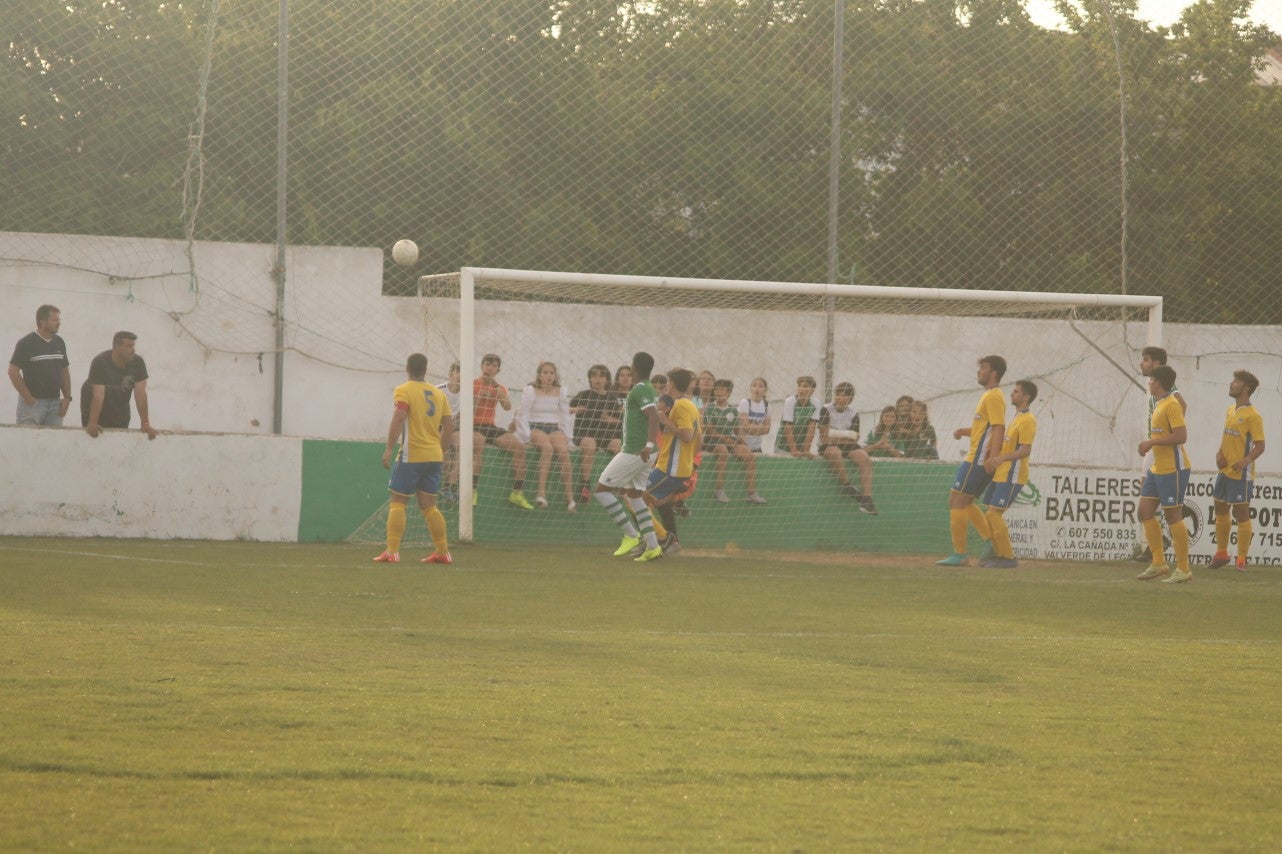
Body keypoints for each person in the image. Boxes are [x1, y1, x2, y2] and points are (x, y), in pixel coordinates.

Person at [373, 353, 454, 565]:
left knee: (398, 502)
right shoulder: (438, 394)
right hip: (433, 457)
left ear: (407, 367)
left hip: (411, 455)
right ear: (425, 370)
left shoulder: (404, 390)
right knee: (429, 506)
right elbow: (449, 426)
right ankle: (443, 551)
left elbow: (399, 418)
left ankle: (392, 551)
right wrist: (441, 451)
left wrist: (389, 448)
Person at [593, 351, 664, 562]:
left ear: (635, 368)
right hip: (646, 452)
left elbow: (652, 416)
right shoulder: (647, 388)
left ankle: (631, 535)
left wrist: (648, 444)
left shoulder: (640, 389)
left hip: (636, 450)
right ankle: (652, 546)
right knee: (634, 496)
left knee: (601, 490)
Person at [937, 355, 1007, 566]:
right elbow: (983, 429)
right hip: (976, 456)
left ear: (994, 372)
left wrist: (993, 457)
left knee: (956, 500)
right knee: (964, 501)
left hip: (978, 459)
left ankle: (961, 554)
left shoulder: (994, 396)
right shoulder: (988, 396)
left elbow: (998, 428)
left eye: (983, 367)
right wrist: (964, 431)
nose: (979, 371)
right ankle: (990, 541)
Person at [1130, 346, 1188, 562]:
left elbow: (1182, 405)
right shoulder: (1156, 390)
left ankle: (1169, 557)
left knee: (1162, 508)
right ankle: (1157, 551)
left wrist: (1168, 432)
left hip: (1161, 451)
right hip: (1154, 448)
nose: (1141, 364)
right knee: (1145, 506)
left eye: (1145, 360)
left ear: (1156, 363)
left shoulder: (1169, 391)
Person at [1210, 370, 1266, 572]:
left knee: (1241, 512)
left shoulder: (1253, 416)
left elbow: (1260, 446)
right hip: (1224, 470)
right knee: (1220, 509)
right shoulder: (1230, 410)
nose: (1231, 383)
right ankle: (1221, 553)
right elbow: (1227, 437)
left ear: (1246, 388)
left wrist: (1245, 461)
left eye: (1236, 381)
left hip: (1241, 474)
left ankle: (1241, 559)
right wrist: (1219, 452)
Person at [979, 380, 1038, 568]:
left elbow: (1025, 450)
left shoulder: (1028, 420)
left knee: (994, 514)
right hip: (1001, 474)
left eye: (1016, 391)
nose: (1012, 394)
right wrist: (994, 459)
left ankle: (1007, 557)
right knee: (989, 512)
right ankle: (998, 554)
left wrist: (1001, 459)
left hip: (1013, 474)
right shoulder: (1016, 417)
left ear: (1026, 396)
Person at [646, 368, 702, 555]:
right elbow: (699, 439)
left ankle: (656, 540)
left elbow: (687, 435)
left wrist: (665, 420)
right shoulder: (691, 405)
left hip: (671, 468)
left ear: (672, 383)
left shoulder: (682, 406)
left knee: (634, 496)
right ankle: (673, 542)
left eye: (667, 382)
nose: (665, 386)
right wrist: (689, 463)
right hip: (676, 466)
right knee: (661, 503)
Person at [469, 353, 532, 509]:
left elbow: (507, 406)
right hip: (472, 425)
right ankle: (471, 490)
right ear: (482, 366)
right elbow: (467, 411)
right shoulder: (472, 384)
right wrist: (479, 396)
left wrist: (498, 392)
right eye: (487, 364)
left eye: (494, 366)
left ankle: (517, 493)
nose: (490, 368)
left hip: (489, 427)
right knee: (478, 443)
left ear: (498, 370)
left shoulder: (499, 387)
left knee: (520, 449)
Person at [516, 361, 577, 512]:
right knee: (547, 449)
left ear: (555, 375)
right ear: (539, 375)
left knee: (563, 451)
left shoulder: (561, 391)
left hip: (553, 427)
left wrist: (568, 438)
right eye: (545, 372)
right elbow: (522, 414)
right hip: (536, 426)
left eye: (551, 373)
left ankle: (569, 497)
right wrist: (525, 436)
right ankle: (541, 493)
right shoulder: (531, 390)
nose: (548, 375)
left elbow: (564, 414)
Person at [81, 331, 158, 439]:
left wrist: (145, 424)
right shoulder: (100, 362)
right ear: (116, 346)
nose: (133, 350)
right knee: (93, 437)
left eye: (133, 346)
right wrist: (92, 422)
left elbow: (140, 394)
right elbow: (98, 395)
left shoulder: (138, 362)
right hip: (94, 405)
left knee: (119, 439)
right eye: (128, 346)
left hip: (120, 405)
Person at [817, 382, 878, 514]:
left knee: (865, 459)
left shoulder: (854, 413)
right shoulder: (825, 409)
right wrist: (845, 436)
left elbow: (855, 437)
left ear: (850, 399)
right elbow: (824, 437)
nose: (839, 397)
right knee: (835, 452)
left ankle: (867, 499)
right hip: (829, 445)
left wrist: (836, 436)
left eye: (843, 395)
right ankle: (847, 485)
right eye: (837, 394)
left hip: (848, 445)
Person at [703, 378, 766, 504]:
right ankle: (719, 490)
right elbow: (709, 431)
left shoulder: (733, 410)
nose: (718, 392)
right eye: (716, 389)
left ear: (728, 392)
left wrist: (740, 438)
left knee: (749, 455)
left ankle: (752, 493)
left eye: (722, 389)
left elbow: (736, 429)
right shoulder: (709, 408)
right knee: (723, 451)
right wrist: (727, 440)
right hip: (713, 440)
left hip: (729, 440)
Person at [9, 304, 71, 426]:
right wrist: (28, 398)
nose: (58, 323)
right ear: (42, 322)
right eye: (54, 320)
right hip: (33, 405)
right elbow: (12, 371)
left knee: (52, 443)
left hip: (55, 405)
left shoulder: (59, 342)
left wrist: (67, 398)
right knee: (28, 442)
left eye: (59, 319)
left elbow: (64, 370)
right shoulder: (27, 343)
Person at [569, 364, 622, 503]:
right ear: (590, 379)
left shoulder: (612, 399)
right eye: (594, 375)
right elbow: (566, 408)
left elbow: (620, 421)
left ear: (607, 380)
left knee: (619, 445)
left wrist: (609, 419)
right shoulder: (583, 395)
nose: (597, 379)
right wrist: (575, 409)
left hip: (605, 436)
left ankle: (613, 482)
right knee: (590, 444)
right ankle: (585, 484)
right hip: (585, 433)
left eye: (601, 376)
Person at [776, 375, 820, 458]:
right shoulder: (790, 401)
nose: (800, 388)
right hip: (783, 446)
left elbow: (811, 427)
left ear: (812, 390)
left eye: (805, 386)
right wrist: (793, 450)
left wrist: (806, 449)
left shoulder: (816, 403)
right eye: (799, 386)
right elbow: (787, 427)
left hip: (801, 447)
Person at [439, 361, 462, 503]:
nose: (460, 376)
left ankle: (449, 486)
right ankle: (441, 485)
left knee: (463, 450)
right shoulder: (439, 390)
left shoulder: (466, 393)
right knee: (445, 453)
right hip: (439, 426)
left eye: (463, 373)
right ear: (450, 374)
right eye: (458, 372)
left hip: (455, 428)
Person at [737, 377, 771, 453]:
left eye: (760, 386)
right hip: (744, 446)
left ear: (765, 390)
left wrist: (751, 427)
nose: (757, 388)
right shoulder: (745, 402)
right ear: (750, 388)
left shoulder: (767, 405)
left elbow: (767, 430)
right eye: (754, 385)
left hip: (757, 447)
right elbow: (745, 427)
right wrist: (760, 427)